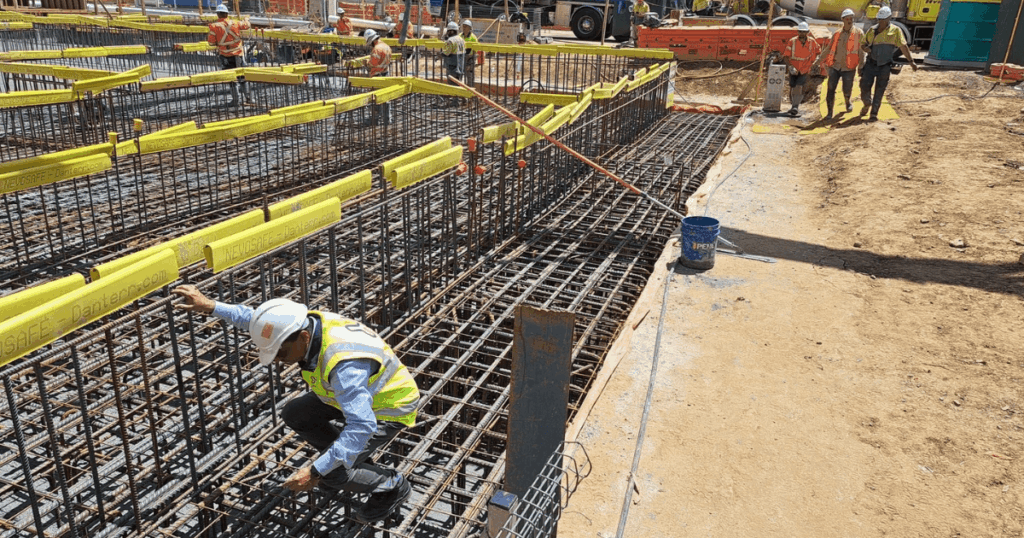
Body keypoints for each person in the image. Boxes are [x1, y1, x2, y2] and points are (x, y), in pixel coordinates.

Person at [171, 285, 419, 523]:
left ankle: (391, 484)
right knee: (296, 413)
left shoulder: (344, 367)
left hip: (386, 406)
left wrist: (316, 470)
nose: (278, 360)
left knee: (330, 473)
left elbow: (361, 425)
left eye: (280, 353)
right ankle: (352, 462)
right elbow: (256, 321)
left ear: (303, 337)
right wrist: (211, 305)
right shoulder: (303, 323)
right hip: (346, 395)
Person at [859, 5, 917, 121]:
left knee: (880, 90)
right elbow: (863, 44)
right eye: (880, 20)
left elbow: (903, 47)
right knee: (864, 86)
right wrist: (867, 49)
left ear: (889, 18)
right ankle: (867, 103)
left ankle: (874, 113)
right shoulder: (872, 30)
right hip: (871, 64)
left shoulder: (895, 31)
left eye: (883, 20)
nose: (881, 22)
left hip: (884, 66)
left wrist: (911, 62)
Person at [812, 8, 864, 119]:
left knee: (847, 89)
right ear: (843, 20)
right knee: (830, 89)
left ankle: (847, 102)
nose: (850, 20)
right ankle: (830, 112)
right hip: (834, 66)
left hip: (849, 67)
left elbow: (861, 51)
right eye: (847, 19)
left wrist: (861, 65)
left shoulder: (859, 33)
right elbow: (828, 49)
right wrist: (818, 61)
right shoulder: (837, 34)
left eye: (851, 18)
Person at [207, 4, 252, 107]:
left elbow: (211, 42)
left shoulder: (214, 27)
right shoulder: (235, 23)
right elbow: (247, 25)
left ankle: (235, 100)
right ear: (227, 14)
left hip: (225, 56)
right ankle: (249, 99)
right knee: (242, 78)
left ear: (218, 14)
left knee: (231, 79)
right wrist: (246, 19)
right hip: (238, 55)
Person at [781, 21, 821, 117]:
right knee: (792, 86)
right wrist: (790, 66)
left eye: (804, 32)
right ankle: (793, 105)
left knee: (799, 86)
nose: (802, 34)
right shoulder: (792, 41)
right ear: (798, 32)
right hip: (794, 68)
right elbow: (786, 56)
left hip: (805, 68)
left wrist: (816, 63)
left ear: (807, 32)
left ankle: (795, 106)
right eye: (800, 31)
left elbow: (819, 52)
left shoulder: (812, 42)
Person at [366, 29, 394, 125]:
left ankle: (375, 120)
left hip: (377, 76)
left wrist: (367, 64)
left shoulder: (377, 49)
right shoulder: (387, 47)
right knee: (386, 98)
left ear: (373, 40)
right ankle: (387, 119)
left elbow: (373, 63)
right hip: (386, 74)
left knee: (375, 98)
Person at [442, 21, 466, 105]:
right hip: (460, 65)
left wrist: (441, 53)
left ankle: (455, 101)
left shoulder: (450, 41)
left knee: (452, 84)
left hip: (452, 65)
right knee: (459, 82)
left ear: (450, 31)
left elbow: (447, 52)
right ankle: (464, 98)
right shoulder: (461, 39)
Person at [461, 19, 477, 87]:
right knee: (460, 74)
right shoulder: (460, 36)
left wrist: (470, 57)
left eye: (466, 26)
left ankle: (471, 88)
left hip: (470, 57)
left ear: (469, 28)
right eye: (463, 26)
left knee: (469, 75)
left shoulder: (473, 38)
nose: (464, 28)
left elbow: (475, 48)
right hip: (461, 57)